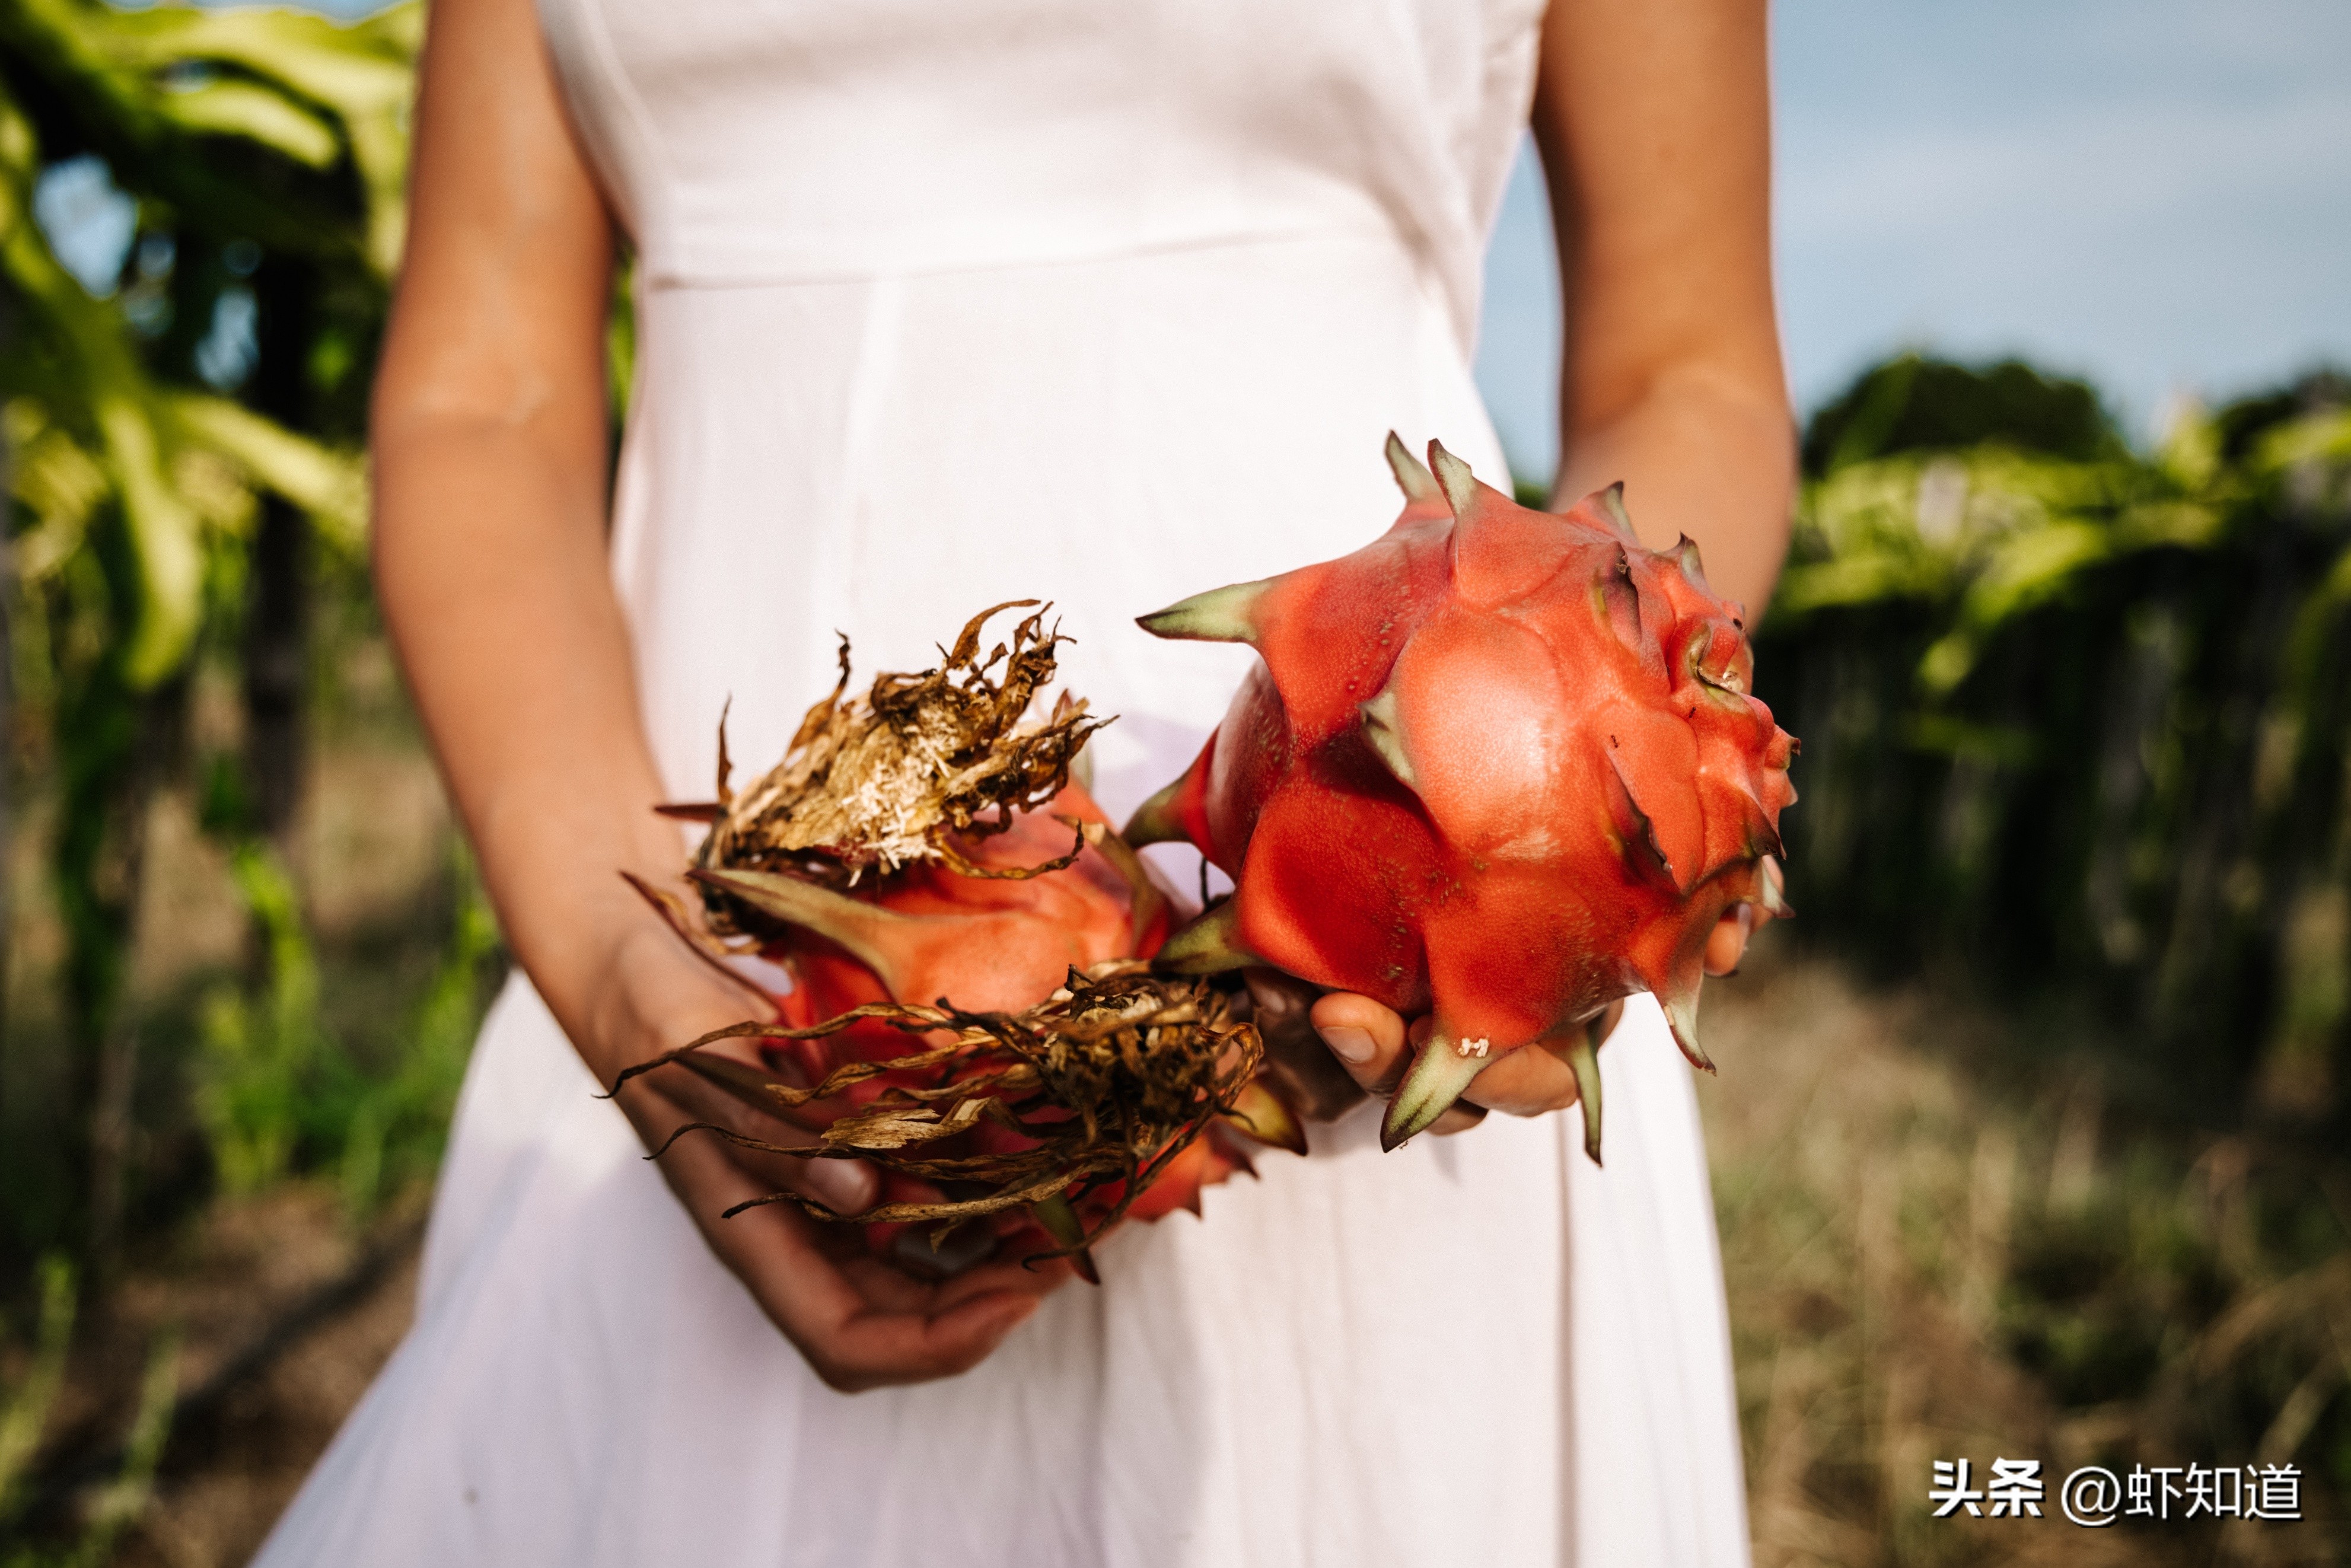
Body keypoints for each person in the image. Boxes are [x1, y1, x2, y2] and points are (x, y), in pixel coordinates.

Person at [257, 0, 1791, 1561]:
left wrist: (1570, 833)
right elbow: (480, 403)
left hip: (1412, 975)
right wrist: (617, 967)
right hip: (705, 991)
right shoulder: (652, 989)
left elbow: (1690, 368)